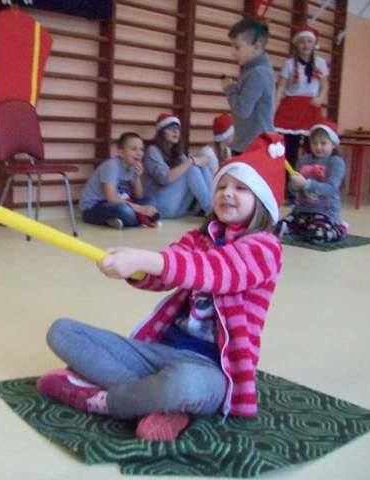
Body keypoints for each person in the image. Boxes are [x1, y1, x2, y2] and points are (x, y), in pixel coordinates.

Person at [38, 133, 286, 441]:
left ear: (262, 200)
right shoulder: (200, 238)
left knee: (183, 385)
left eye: (240, 188)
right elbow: (166, 273)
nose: (227, 193)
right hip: (159, 353)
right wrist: (132, 268)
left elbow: (215, 271)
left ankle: (107, 400)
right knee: (62, 332)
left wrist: (146, 258)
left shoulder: (266, 247)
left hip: (212, 370)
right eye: (222, 186)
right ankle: (157, 403)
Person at [277, 119, 347, 244]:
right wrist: (293, 186)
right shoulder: (303, 160)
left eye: (323, 143)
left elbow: (331, 189)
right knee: (276, 229)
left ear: (333, 144)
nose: (318, 147)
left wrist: (306, 183)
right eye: (315, 143)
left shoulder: (335, 162)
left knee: (317, 235)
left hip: (325, 212)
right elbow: (293, 189)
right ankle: (304, 228)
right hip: (301, 211)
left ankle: (339, 229)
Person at [274, 24, 329, 168]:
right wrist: (273, 107)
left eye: (309, 41)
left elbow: (325, 85)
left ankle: (312, 175)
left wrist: (320, 98)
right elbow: (281, 87)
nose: (306, 45)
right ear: (296, 44)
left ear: (314, 44)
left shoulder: (320, 63)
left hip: (311, 106)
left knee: (313, 145)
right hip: (291, 107)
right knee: (289, 146)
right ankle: (288, 177)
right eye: (302, 42)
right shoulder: (289, 64)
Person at [79, 132, 159, 229]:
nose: (139, 153)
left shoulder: (132, 166)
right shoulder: (111, 166)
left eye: (141, 149)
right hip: (93, 208)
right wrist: (140, 209)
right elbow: (112, 198)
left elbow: (139, 196)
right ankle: (139, 219)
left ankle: (119, 220)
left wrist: (137, 177)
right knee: (124, 210)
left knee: (151, 201)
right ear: (121, 152)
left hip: (118, 203)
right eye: (134, 149)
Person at [142, 113, 213, 219]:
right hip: (158, 207)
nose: (175, 132)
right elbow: (164, 179)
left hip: (177, 207)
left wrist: (202, 161)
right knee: (191, 167)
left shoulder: (177, 153)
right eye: (170, 128)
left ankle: (213, 206)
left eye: (177, 129)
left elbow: (194, 164)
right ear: (161, 132)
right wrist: (191, 161)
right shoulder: (152, 150)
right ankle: (210, 210)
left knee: (199, 167)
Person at [222, 17, 275, 155]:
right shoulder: (254, 69)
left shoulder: (257, 73)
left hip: (254, 147)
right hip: (251, 144)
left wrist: (230, 89)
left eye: (237, 47)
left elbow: (242, 110)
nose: (233, 52)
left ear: (256, 47)